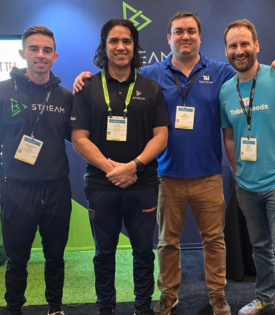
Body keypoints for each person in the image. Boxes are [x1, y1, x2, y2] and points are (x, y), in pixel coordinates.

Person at [73, 12, 275, 315]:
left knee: (214, 241)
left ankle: (217, 293)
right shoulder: (149, 74)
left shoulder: (220, 72)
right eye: (178, 32)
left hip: (208, 175)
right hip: (166, 175)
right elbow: (117, 77)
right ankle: (168, 295)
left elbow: (251, 72)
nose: (185, 36)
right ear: (168, 38)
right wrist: (85, 77)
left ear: (200, 37)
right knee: (167, 242)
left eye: (191, 31)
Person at [70, 18, 170, 315]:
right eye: (114, 41)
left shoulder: (151, 88)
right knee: (104, 254)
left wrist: (134, 165)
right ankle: (106, 308)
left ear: (134, 47)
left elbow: (161, 137)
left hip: (142, 183)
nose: (120, 47)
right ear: (104, 46)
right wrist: (113, 169)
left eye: (126, 41)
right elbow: (79, 139)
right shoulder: (87, 87)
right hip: (102, 185)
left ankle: (142, 307)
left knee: (143, 252)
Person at [219, 19, 275, 315]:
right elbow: (230, 137)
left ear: (257, 46)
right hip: (247, 185)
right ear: (226, 51)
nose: (239, 50)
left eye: (245, 44)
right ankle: (266, 297)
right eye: (233, 45)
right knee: (260, 247)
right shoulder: (225, 91)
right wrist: (238, 171)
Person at [0, 26, 73, 315]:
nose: (41, 55)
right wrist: (2, 187)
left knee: (55, 257)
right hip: (17, 191)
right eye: (34, 49)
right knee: (17, 260)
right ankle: (14, 309)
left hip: (57, 189)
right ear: (23, 53)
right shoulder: (3, 91)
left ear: (55, 56)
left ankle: (55, 308)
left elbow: (81, 137)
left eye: (47, 50)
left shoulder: (64, 96)